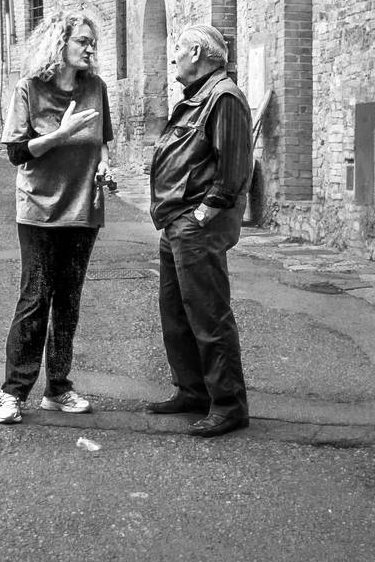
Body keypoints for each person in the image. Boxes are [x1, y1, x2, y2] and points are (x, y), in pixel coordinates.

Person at [0, 9, 115, 425]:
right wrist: (60, 135)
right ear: (58, 44)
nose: (89, 48)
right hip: (39, 209)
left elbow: (103, 142)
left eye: (91, 41)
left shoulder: (95, 88)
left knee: (68, 302)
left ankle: (58, 388)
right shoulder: (29, 89)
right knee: (35, 298)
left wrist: (104, 164)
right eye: (82, 40)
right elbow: (16, 153)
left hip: (84, 209)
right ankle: (12, 392)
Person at [146, 23, 253, 438]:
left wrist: (204, 214)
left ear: (196, 53)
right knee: (175, 313)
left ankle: (228, 404)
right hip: (175, 221)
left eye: (178, 50)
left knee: (209, 315)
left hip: (195, 224)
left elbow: (233, 170)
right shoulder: (198, 97)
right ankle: (192, 390)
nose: (173, 57)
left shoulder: (223, 96)